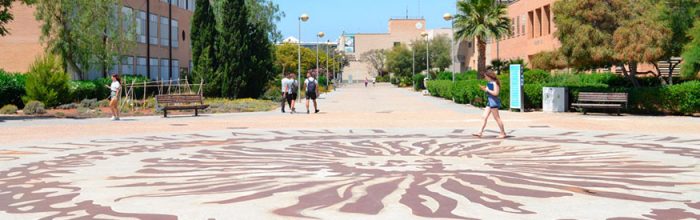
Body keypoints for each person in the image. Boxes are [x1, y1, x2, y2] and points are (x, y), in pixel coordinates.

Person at [473, 70, 506, 139]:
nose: (485, 78)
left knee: (497, 118)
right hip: (489, 102)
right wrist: (485, 89)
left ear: (489, 76)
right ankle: (480, 132)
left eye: (485, 76)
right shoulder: (490, 83)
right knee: (484, 117)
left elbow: (496, 93)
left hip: (493, 102)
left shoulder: (495, 83)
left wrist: (487, 90)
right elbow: (490, 93)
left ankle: (503, 133)